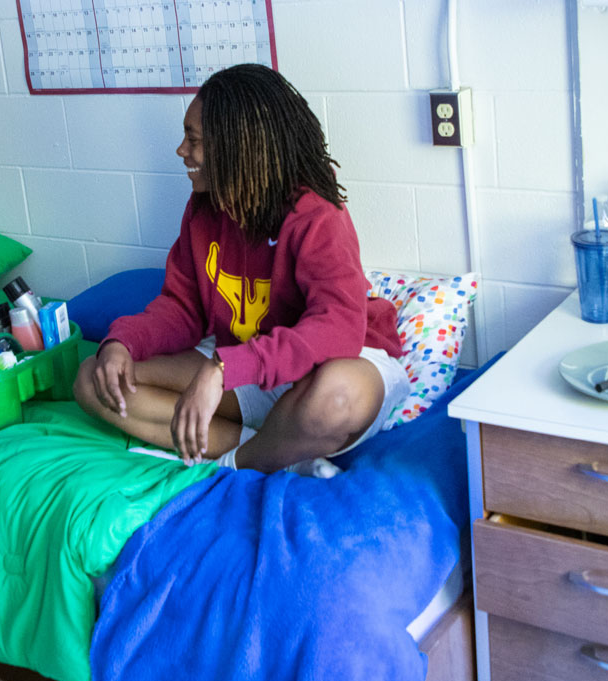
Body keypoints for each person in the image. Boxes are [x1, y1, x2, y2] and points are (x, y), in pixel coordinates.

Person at [74, 64, 409, 476]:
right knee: (97, 379)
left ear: (235, 147)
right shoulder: (203, 209)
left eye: (193, 140)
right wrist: (121, 343)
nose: (182, 150)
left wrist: (223, 370)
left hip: (330, 364)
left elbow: (336, 328)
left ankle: (240, 462)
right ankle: (281, 454)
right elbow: (182, 308)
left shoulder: (317, 212)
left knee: (335, 398)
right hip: (249, 364)